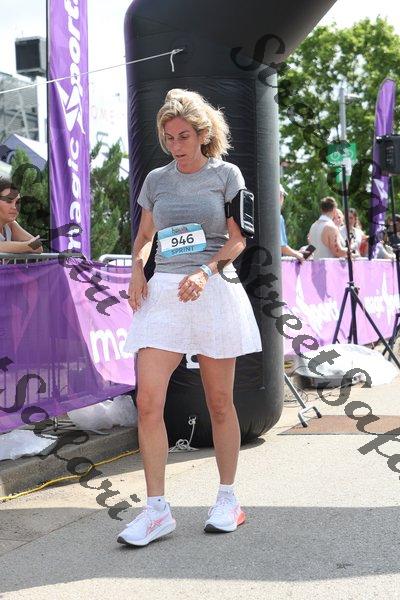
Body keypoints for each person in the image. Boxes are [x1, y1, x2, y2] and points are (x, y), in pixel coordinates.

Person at [118, 89, 262, 547]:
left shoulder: (226, 174)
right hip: (164, 292)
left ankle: (227, 499)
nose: (176, 145)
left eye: (183, 136)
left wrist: (205, 270)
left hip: (213, 287)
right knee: (147, 403)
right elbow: (145, 235)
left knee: (219, 402)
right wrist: (137, 268)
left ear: (202, 135)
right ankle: (156, 511)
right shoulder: (156, 180)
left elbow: (238, 240)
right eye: (169, 137)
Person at [0, 179, 43, 254]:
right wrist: (28, 245)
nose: (14, 207)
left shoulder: (11, 225)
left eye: (18, 202)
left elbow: (38, 246)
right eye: (9, 201)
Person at [280, 184, 304, 261]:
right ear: (280, 196)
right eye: (283, 196)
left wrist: (297, 252)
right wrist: (297, 255)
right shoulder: (278, 218)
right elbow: (282, 247)